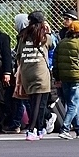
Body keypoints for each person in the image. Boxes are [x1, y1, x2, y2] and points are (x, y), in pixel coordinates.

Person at [53, 20, 79, 140]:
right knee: (73, 104)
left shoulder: (61, 44)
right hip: (77, 78)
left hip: (64, 77)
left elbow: (56, 62)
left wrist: (57, 77)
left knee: (71, 103)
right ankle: (65, 128)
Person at [15, 12, 53, 140]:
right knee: (39, 103)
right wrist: (49, 31)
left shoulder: (23, 36)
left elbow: (18, 55)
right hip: (41, 72)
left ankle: (41, 128)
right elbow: (52, 46)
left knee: (34, 101)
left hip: (27, 72)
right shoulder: (44, 37)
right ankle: (31, 130)